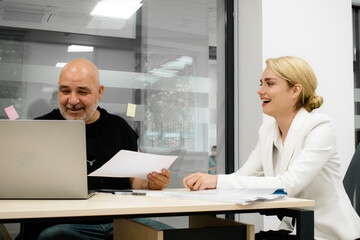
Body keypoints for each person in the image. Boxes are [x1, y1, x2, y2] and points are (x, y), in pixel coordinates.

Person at [183, 56, 360, 240]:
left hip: (328, 233)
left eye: (269, 84)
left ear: (295, 90)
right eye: (261, 83)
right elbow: (244, 176)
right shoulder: (268, 130)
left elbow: (288, 185)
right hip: (294, 229)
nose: (260, 90)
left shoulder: (320, 127)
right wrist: (207, 184)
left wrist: (218, 181)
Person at [18, 58, 171, 240]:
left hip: (119, 221)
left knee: (167, 234)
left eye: (82, 92)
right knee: (55, 236)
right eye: (65, 91)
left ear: (99, 92)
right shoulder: (39, 129)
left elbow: (135, 180)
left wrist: (150, 182)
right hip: (62, 223)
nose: (73, 100)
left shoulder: (119, 127)